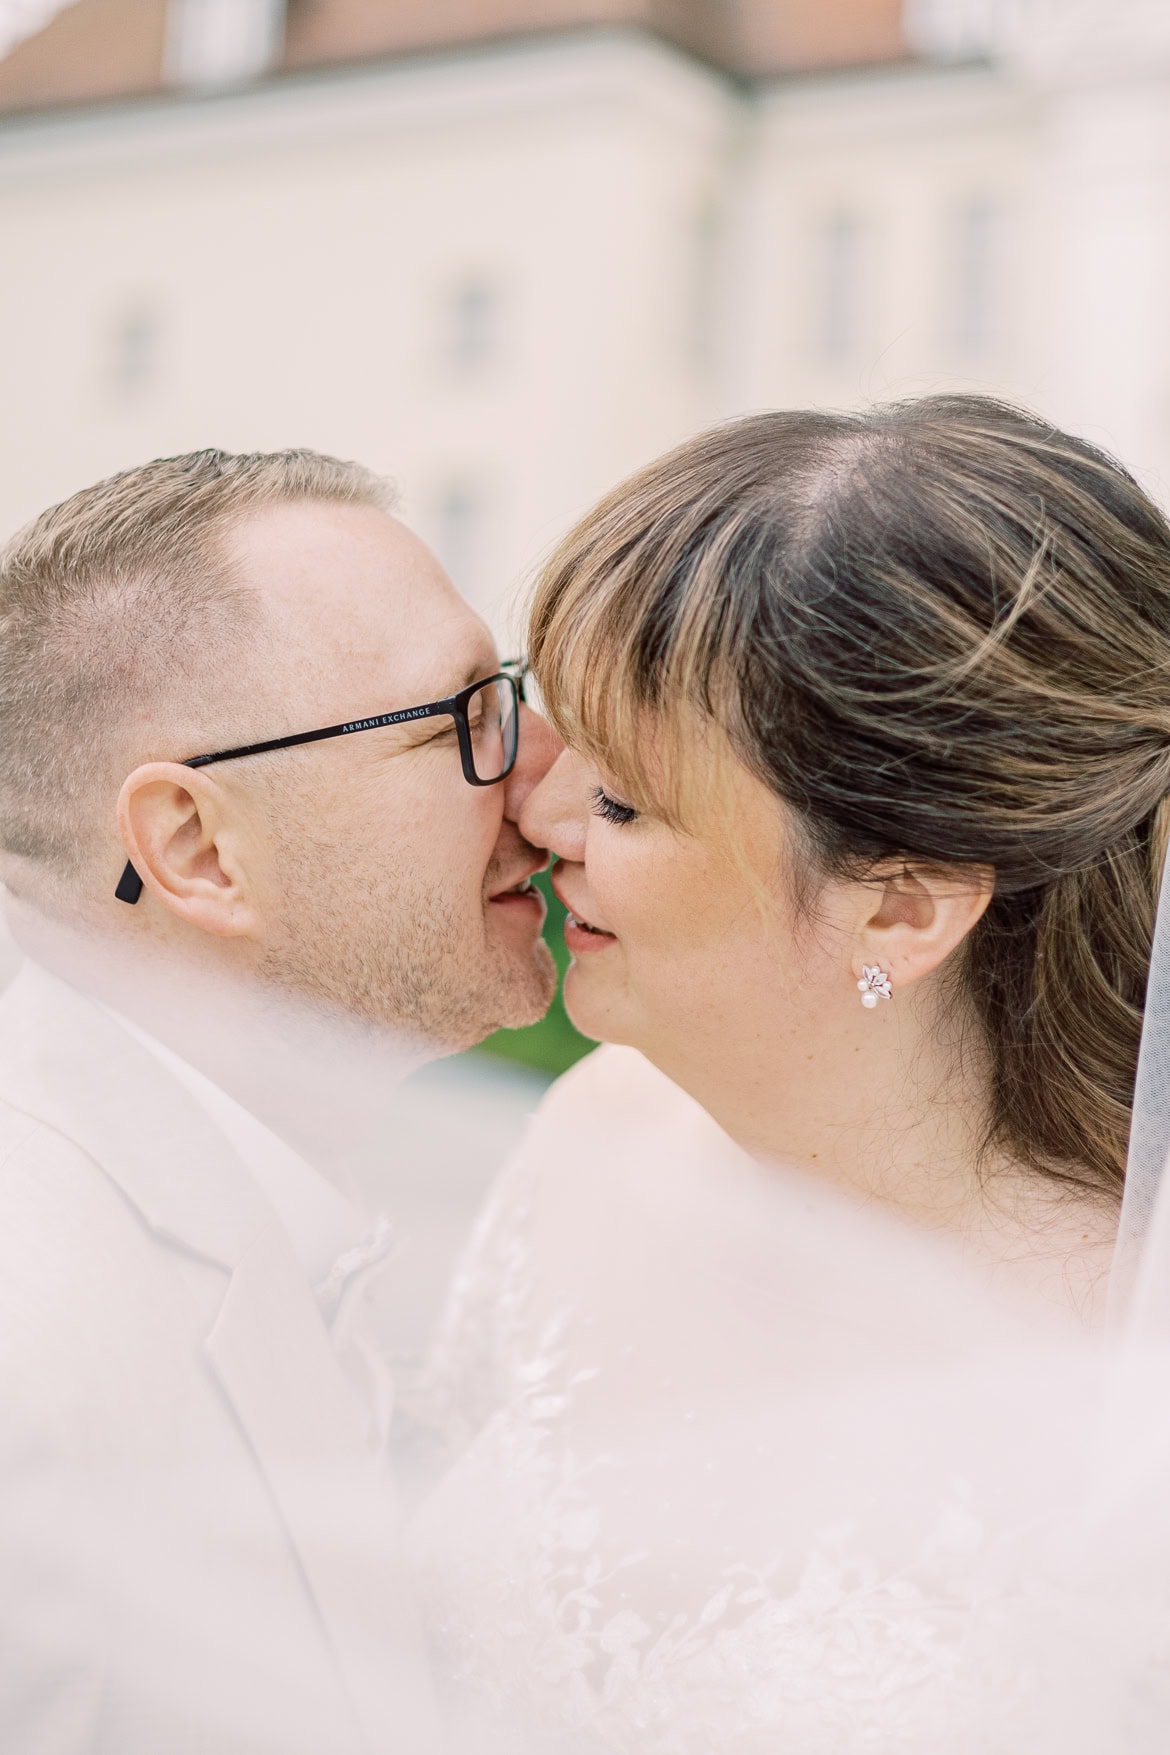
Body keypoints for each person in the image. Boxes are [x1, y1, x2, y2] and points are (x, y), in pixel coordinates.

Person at [410, 397, 1170, 1751]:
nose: (536, 811)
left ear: (899, 907)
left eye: (629, 801)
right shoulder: (594, 1132)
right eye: (554, 724)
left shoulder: (1130, 1359)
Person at [0, 447, 557, 1754]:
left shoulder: (249, 1206)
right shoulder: (31, 1344)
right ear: (196, 848)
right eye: (462, 718)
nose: (547, 777)